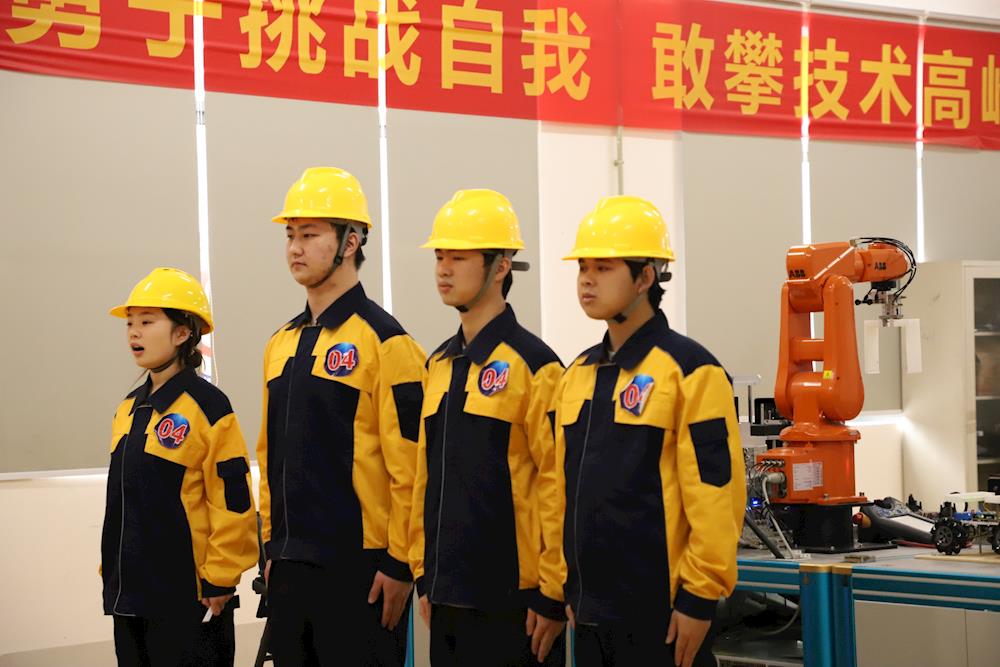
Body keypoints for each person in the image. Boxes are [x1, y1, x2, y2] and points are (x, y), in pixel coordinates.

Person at [555, 196, 746, 667]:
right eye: (583, 267)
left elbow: (715, 494)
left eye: (604, 267)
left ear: (645, 278)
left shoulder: (691, 371)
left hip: (662, 616)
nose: (587, 279)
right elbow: (557, 492)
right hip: (589, 614)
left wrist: (700, 598)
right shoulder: (578, 375)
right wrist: (564, 585)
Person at [259, 167, 427, 666]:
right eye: (290, 235)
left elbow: (412, 467)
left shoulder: (388, 343)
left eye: (310, 235)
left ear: (351, 242)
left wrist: (400, 563)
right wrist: (269, 547)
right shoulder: (279, 344)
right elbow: (269, 457)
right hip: (288, 568)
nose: (295, 248)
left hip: (362, 574)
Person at [408, 190, 567, 666]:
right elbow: (424, 479)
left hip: (515, 606)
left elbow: (558, 485)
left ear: (501, 266)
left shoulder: (536, 366)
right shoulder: (439, 364)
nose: (443, 269)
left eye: (458, 257)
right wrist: (423, 572)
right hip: (446, 596)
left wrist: (553, 591)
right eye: (440, 256)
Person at [102, 267, 258, 666]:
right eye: (130, 323)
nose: (134, 333)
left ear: (183, 333)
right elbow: (124, 500)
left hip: (191, 598)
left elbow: (233, 501)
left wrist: (221, 577)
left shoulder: (209, 406)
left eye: (147, 322)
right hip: (130, 595)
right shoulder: (128, 408)